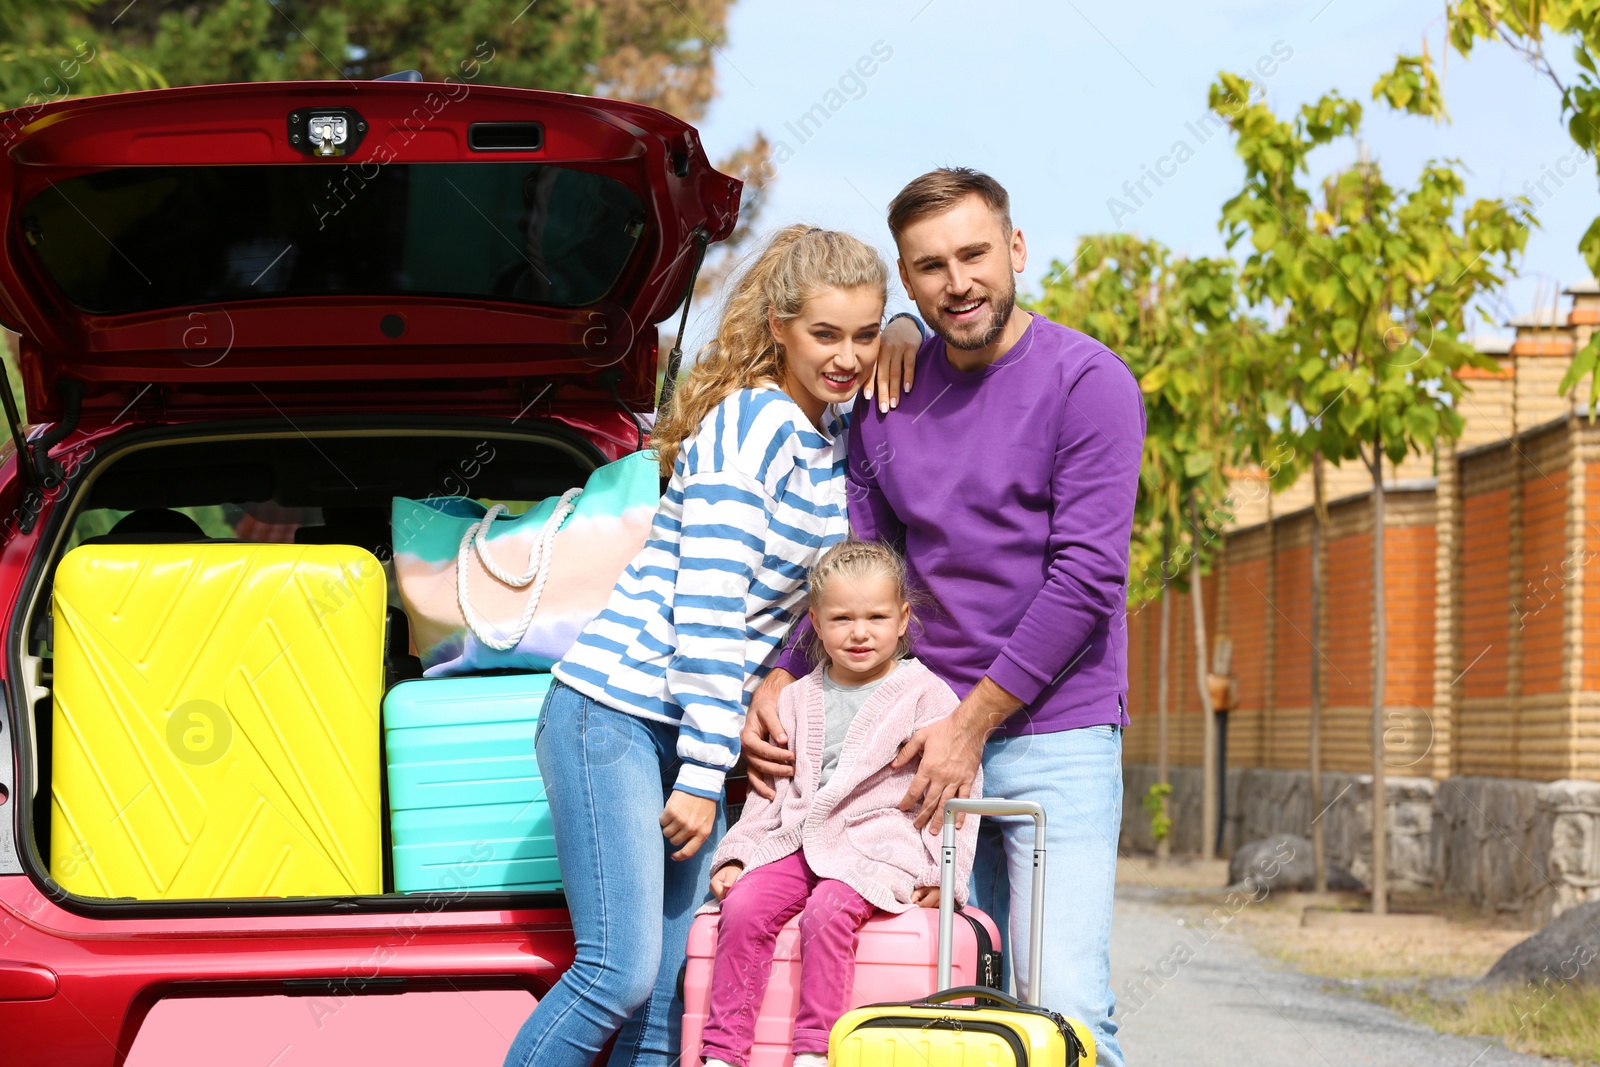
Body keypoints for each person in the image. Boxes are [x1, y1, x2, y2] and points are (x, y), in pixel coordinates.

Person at [744, 168, 1145, 1067]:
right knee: (935, 993)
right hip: (914, 734)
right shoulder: (888, 393)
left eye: (973, 254)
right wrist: (782, 668)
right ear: (906, 278)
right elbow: (861, 567)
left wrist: (969, 724)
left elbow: (1085, 579)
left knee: (1063, 998)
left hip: (1055, 732)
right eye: (929, 267)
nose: (957, 282)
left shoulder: (1090, 384)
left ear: (1016, 249)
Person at [503, 225, 889, 1067]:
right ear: (780, 326)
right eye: (827, 333)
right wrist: (705, 773)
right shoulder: (751, 424)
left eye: (867, 333)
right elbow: (710, 609)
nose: (848, 356)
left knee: (671, 985)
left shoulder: (826, 438)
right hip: (615, 712)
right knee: (618, 973)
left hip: (687, 727)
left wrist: (904, 341)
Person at [698, 539, 979, 1067]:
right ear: (817, 623)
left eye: (876, 616)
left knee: (827, 913)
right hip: (795, 842)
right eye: (842, 618)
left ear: (903, 619)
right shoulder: (795, 697)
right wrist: (738, 853)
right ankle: (722, 1051)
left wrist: (946, 875)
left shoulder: (929, 696)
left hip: (877, 850)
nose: (859, 632)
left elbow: (957, 801)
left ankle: (814, 1050)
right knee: (741, 907)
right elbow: (771, 789)